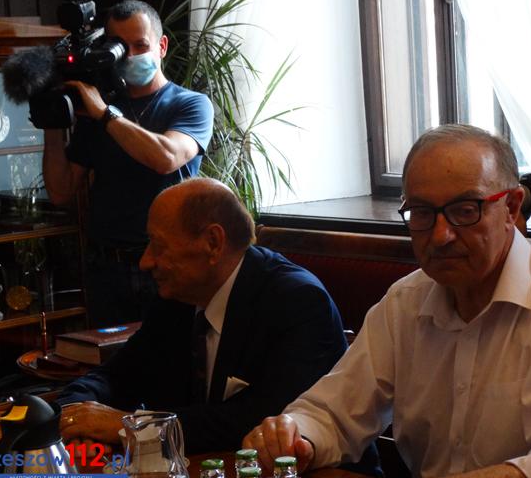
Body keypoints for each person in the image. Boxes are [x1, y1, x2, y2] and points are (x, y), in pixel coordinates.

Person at [244, 124, 531, 478]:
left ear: (511, 208)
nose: (441, 235)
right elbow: (334, 411)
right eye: (422, 213)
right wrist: (297, 436)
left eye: (466, 209)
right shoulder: (405, 302)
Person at [56, 178, 348, 453]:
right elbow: (116, 375)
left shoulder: (296, 301)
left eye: (158, 246)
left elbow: (262, 421)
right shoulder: (178, 298)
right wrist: (74, 416)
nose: (145, 261)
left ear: (212, 242)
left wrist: (131, 427)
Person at [43, 0, 214, 328]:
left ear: (162, 46)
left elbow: (166, 157)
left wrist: (105, 115)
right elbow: (61, 191)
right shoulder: (99, 109)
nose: (131, 56)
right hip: (106, 267)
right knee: (110, 358)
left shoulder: (190, 104)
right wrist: (51, 121)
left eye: (141, 45)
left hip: (168, 263)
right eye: (121, 47)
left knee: (169, 355)